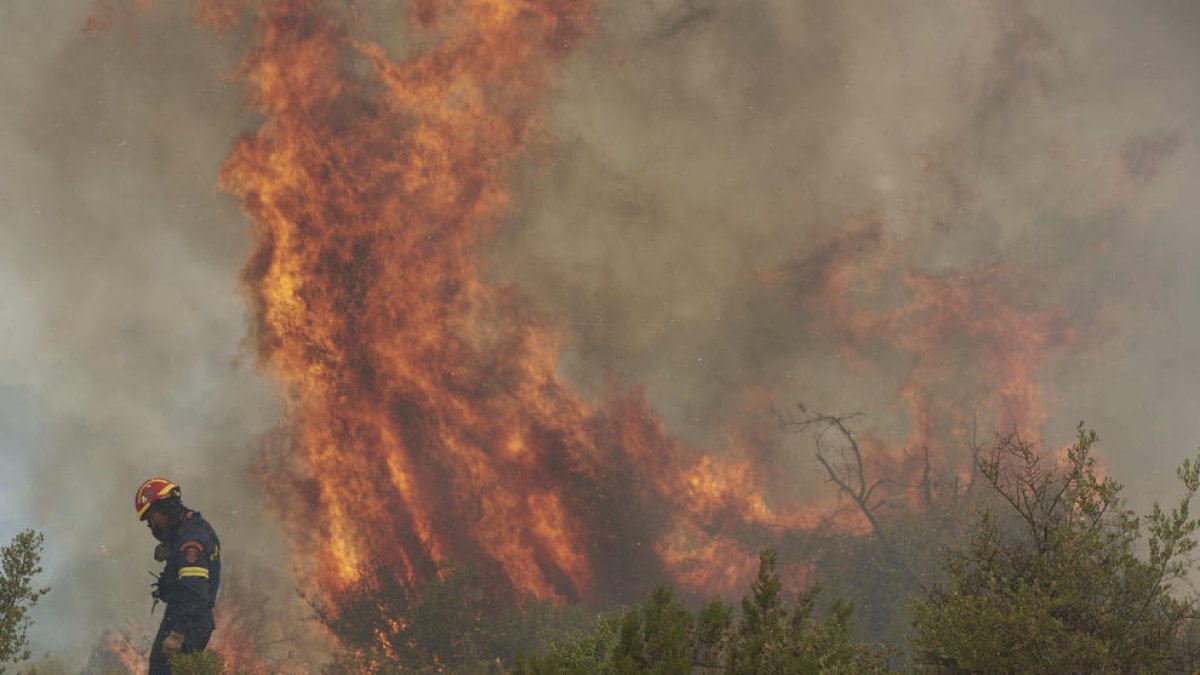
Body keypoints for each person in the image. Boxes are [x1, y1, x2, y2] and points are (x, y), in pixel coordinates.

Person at [134, 478, 221, 675]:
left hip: (188, 620)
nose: (151, 524)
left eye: (151, 517)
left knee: (163, 671)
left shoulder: (189, 544)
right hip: (187, 616)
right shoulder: (192, 526)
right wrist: (171, 548)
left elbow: (196, 594)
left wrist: (178, 633)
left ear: (165, 507)